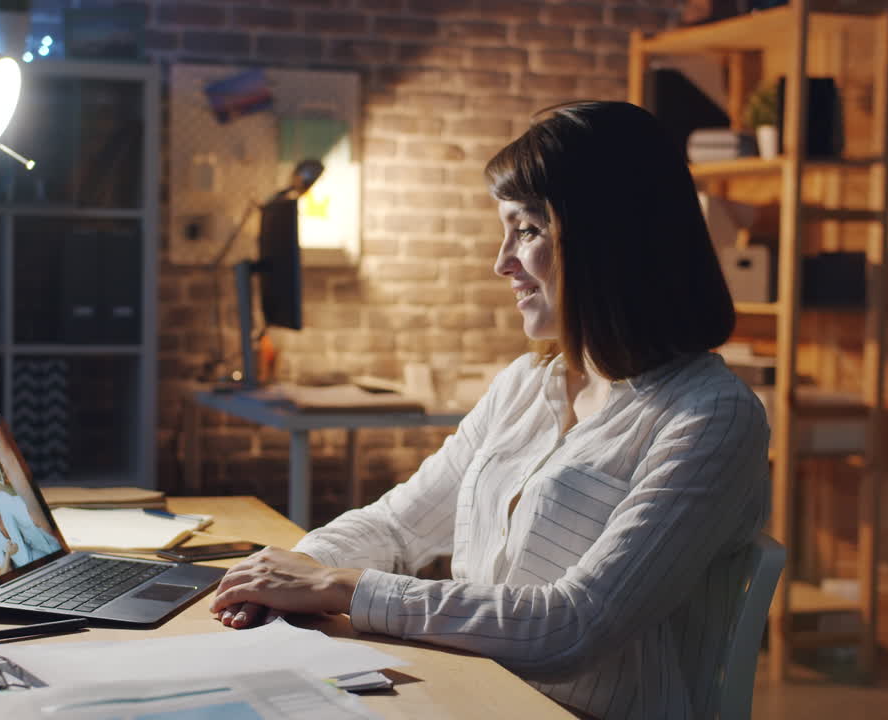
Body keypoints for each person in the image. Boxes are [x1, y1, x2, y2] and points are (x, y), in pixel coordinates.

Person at [209, 101, 771, 720]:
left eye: (527, 230)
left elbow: (574, 625)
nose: (501, 262)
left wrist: (341, 587)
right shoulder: (526, 385)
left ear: (610, 240)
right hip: (471, 695)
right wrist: (297, 571)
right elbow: (399, 525)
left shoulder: (711, 416)